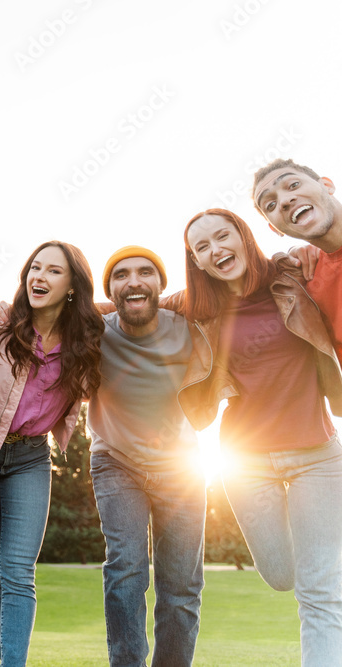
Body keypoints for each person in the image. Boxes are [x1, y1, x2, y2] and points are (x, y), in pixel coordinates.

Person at [180, 209, 342, 665]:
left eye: (222, 236)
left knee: (319, 591)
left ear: (242, 235)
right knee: (280, 575)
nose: (215, 250)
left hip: (318, 457)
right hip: (245, 462)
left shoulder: (293, 276)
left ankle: (326, 568)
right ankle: (322, 559)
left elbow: (331, 254)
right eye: (202, 247)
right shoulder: (199, 307)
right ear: (197, 261)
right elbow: (132, 302)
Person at [0, 241, 103, 666]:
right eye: (35, 268)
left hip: (31, 459)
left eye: (53, 271)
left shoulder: (87, 339)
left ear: (73, 285)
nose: (39, 277)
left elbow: (131, 304)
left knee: (18, 571)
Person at [88, 246, 204, 667]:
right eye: (121, 275)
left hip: (183, 467)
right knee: (126, 571)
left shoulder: (190, 327)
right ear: (111, 290)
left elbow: (223, 299)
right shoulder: (93, 330)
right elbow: (53, 305)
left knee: (181, 585)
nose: (133, 281)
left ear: (161, 284)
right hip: (116, 462)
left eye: (145, 272)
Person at [253, 158, 342, 357]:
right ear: (274, 228)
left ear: (327, 185)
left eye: (293, 185)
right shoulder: (304, 285)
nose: (284, 201)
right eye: (271, 205)